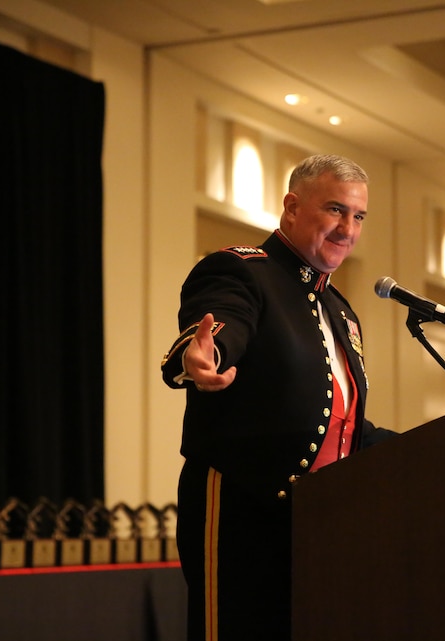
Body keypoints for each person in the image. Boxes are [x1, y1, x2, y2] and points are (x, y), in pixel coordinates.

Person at [160, 154, 394, 641]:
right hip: (243, 516)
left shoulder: (341, 311)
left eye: (358, 216)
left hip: (321, 528)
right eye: (334, 209)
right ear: (292, 206)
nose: (347, 228)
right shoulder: (242, 271)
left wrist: (438, 444)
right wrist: (203, 354)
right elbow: (220, 323)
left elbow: (344, 429)